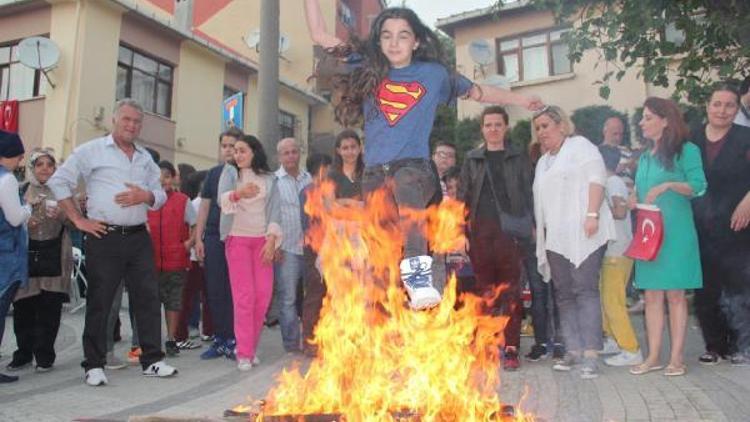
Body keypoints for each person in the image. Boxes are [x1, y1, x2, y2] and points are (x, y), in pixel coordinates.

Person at [304, 0, 542, 310]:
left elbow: (479, 92)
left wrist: (522, 99)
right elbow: (321, 34)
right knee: (383, 241)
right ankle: (383, 302)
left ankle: (418, 275)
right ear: (378, 41)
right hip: (375, 174)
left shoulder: (434, 74)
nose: (394, 42)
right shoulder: (367, 65)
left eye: (403, 35)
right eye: (387, 35)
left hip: (414, 169)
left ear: (416, 41)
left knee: (407, 192)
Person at [48, 98, 177, 386]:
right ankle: (93, 364)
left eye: (137, 122)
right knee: (101, 301)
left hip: (138, 237)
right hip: (103, 236)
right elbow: (59, 182)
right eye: (127, 120)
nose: (132, 126)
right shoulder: (91, 151)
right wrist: (78, 220)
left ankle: (153, 360)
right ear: (114, 121)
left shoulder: (145, 158)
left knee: (148, 297)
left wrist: (145, 196)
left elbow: (161, 196)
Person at [532, 105, 616, 379]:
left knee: (585, 290)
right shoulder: (543, 162)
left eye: (545, 126)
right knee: (564, 294)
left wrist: (591, 215)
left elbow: (597, 178)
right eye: (537, 128)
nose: (541, 132)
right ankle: (573, 348)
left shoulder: (580, 146)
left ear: (561, 125)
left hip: (585, 232)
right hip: (556, 237)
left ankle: (591, 353)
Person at [627, 97, 706, 377]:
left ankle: (676, 358)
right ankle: (652, 357)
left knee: (675, 295)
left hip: (676, 233)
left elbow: (698, 186)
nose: (641, 122)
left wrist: (669, 185)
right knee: (651, 297)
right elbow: (640, 190)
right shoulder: (645, 156)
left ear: (665, 120)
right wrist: (633, 198)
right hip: (649, 235)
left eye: (648, 117)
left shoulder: (687, 150)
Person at [458, 106, 534, 371]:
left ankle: (511, 346)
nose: (493, 129)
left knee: (512, 292)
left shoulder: (518, 157)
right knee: (485, 293)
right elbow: (463, 198)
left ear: (506, 127)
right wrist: (460, 233)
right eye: (488, 125)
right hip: (480, 234)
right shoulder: (472, 159)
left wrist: (531, 228)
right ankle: (488, 344)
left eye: (497, 125)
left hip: (510, 234)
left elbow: (528, 193)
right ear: (482, 128)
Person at [692, 84, 750, 366]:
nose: (722, 110)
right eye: (717, 104)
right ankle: (714, 346)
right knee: (705, 289)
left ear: (736, 109)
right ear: (708, 106)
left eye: (729, 105)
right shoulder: (691, 139)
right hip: (700, 226)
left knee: (739, 288)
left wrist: (749, 200)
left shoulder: (745, 137)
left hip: (738, 226)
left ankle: (743, 346)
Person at [218, 135, 282, 371]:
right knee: (244, 298)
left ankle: (249, 347)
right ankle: (243, 353)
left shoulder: (270, 178)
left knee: (262, 297)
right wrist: (238, 194)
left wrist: (272, 240)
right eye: (235, 151)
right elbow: (220, 199)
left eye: (242, 150)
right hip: (237, 240)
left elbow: (276, 210)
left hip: (263, 242)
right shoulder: (230, 173)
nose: (237, 155)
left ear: (254, 152)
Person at [6, 149, 72, 374]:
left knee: (50, 309)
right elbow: (9, 220)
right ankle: (23, 353)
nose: (44, 168)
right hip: (26, 255)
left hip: (55, 256)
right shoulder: (20, 189)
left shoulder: (64, 192)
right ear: (32, 168)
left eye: (49, 165)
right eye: (39, 164)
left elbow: (77, 221)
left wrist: (62, 215)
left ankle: (44, 356)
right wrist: (26, 222)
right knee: (23, 308)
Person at [194, 128, 242, 360]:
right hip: (213, 237)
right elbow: (203, 208)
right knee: (215, 289)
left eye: (233, 146)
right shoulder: (213, 174)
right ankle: (220, 339)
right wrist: (198, 238)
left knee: (235, 290)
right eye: (224, 145)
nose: (228, 150)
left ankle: (236, 339)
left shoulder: (247, 174)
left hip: (240, 237)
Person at [597, 145, 643, 367]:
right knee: (605, 298)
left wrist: (598, 211)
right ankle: (613, 340)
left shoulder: (612, 182)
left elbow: (620, 211)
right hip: (613, 250)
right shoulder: (609, 182)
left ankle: (631, 349)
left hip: (618, 250)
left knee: (613, 301)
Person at [146, 160, 196, 357]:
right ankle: (150, 341)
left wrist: (188, 243)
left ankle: (171, 338)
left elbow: (194, 225)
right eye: (158, 177)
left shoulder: (183, 200)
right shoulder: (146, 200)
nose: (162, 181)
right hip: (150, 260)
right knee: (151, 302)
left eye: (166, 176)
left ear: (173, 178)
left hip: (176, 259)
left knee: (173, 301)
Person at [272, 138, 312, 353]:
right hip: (286, 248)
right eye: (285, 153)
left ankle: (310, 339)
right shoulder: (274, 182)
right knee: (287, 298)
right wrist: (274, 245)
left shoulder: (310, 180)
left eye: (293, 152)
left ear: (299, 153)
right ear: (279, 156)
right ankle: (290, 344)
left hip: (310, 248)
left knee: (311, 295)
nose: (290, 156)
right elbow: (270, 216)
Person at [0, 130, 30, 384]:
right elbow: (14, 217)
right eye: (18, 156)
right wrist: (28, 207)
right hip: (5, 257)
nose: (20, 162)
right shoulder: (7, 180)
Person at [300, 153, 334, 357]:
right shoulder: (309, 192)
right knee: (315, 294)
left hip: (332, 247)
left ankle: (323, 337)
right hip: (314, 248)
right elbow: (308, 225)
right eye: (328, 168)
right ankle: (309, 340)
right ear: (321, 169)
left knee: (328, 294)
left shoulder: (329, 191)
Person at [175, 170, 213, 349]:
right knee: (188, 297)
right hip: (194, 257)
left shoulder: (205, 203)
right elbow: (194, 228)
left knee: (206, 295)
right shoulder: (197, 204)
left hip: (201, 256)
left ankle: (208, 330)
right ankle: (180, 335)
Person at [601, 116, 635, 184]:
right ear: (605, 132)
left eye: (621, 134)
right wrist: (616, 171)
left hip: (631, 191)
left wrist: (633, 167)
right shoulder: (596, 152)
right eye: (615, 134)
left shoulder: (626, 151)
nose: (618, 138)